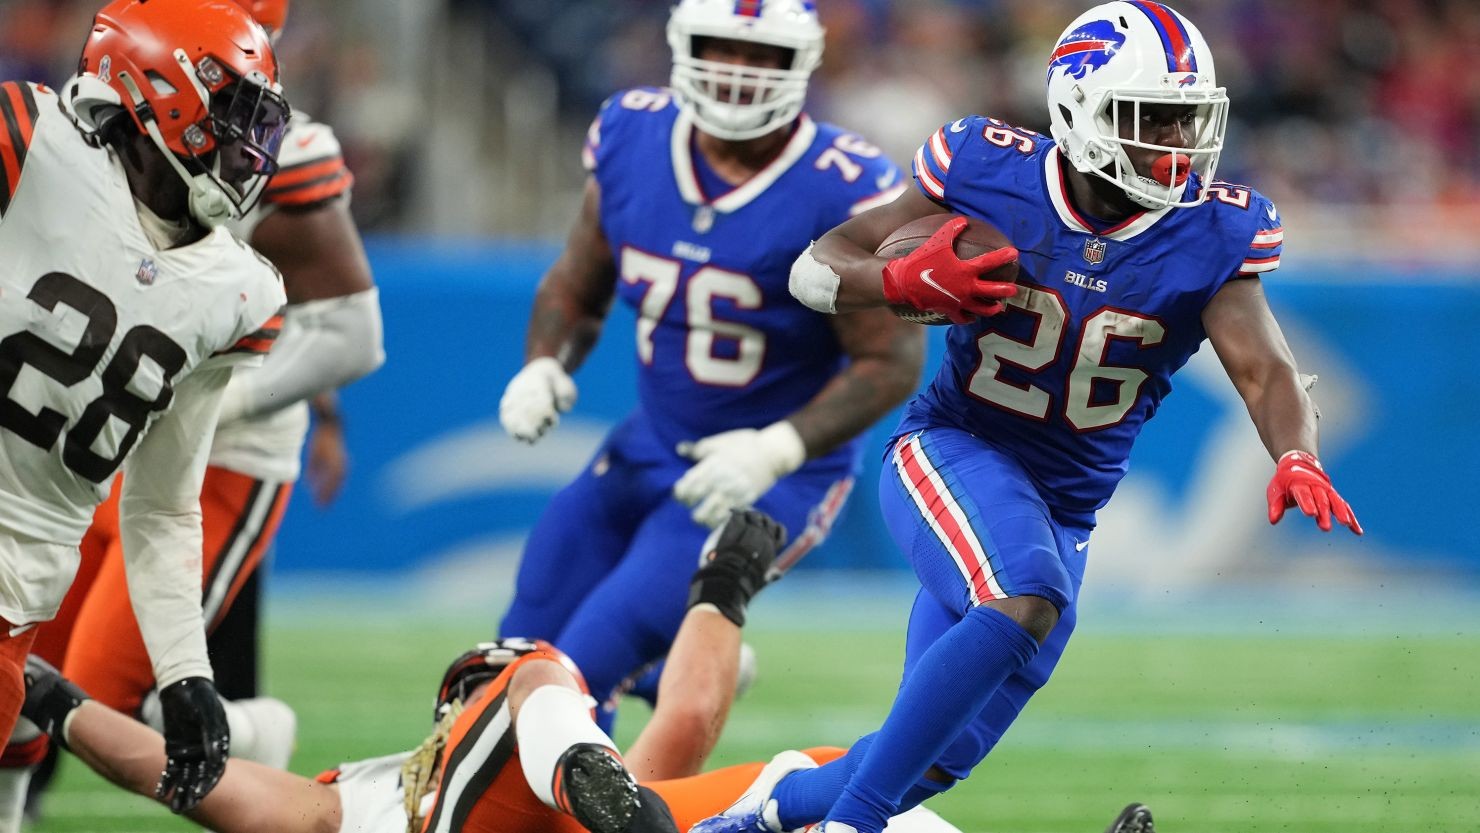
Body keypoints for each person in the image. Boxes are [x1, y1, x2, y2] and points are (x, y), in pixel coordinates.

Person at [695, 3, 1362, 833]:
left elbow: (1264, 369)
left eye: (1188, 120)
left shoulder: (1210, 230)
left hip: (1064, 510)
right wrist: (894, 284)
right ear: (1080, 111)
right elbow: (815, 267)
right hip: (953, 448)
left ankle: (736, 825)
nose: (1178, 144)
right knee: (1022, 595)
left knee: (930, 754)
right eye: (1151, 120)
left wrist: (1295, 453)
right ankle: (849, 827)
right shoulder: (986, 174)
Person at [497, 0, 923, 748]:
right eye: (721, 48)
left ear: (803, 65)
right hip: (648, 444)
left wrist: (775, 448)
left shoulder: (842, 183)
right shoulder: (631, 133)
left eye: (762, 56)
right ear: (681, 45)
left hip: (775, 476)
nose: (738, 71)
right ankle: (677, 663)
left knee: (572, 678)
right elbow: (577, 282)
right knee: (505, 663)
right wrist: (541, 362)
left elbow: (891, 360)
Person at [20, 510, 967, 833]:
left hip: (607, 807)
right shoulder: (353, 799)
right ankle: (577, 761)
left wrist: (56, 703)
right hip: (556, 798)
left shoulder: (343, 802)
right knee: (544, 672)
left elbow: (193, 783)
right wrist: (721, 591)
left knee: (839, 786)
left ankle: (585, 767)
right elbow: (201, 779)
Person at [46, 0, 382, 757]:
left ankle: (263, 742)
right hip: (122, 417)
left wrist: (283, 408)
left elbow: (346, 331)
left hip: (220, 437)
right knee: (49, 654)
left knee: (106, 696)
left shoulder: (277, 151)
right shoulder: (101, 118)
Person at [0, 0, 290, 820]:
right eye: (233, 110)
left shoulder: (239, 292)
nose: (249, 145)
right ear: (158, 87)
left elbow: (162, 507)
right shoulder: (29, 145)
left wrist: (185, 671)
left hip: (17, 592)